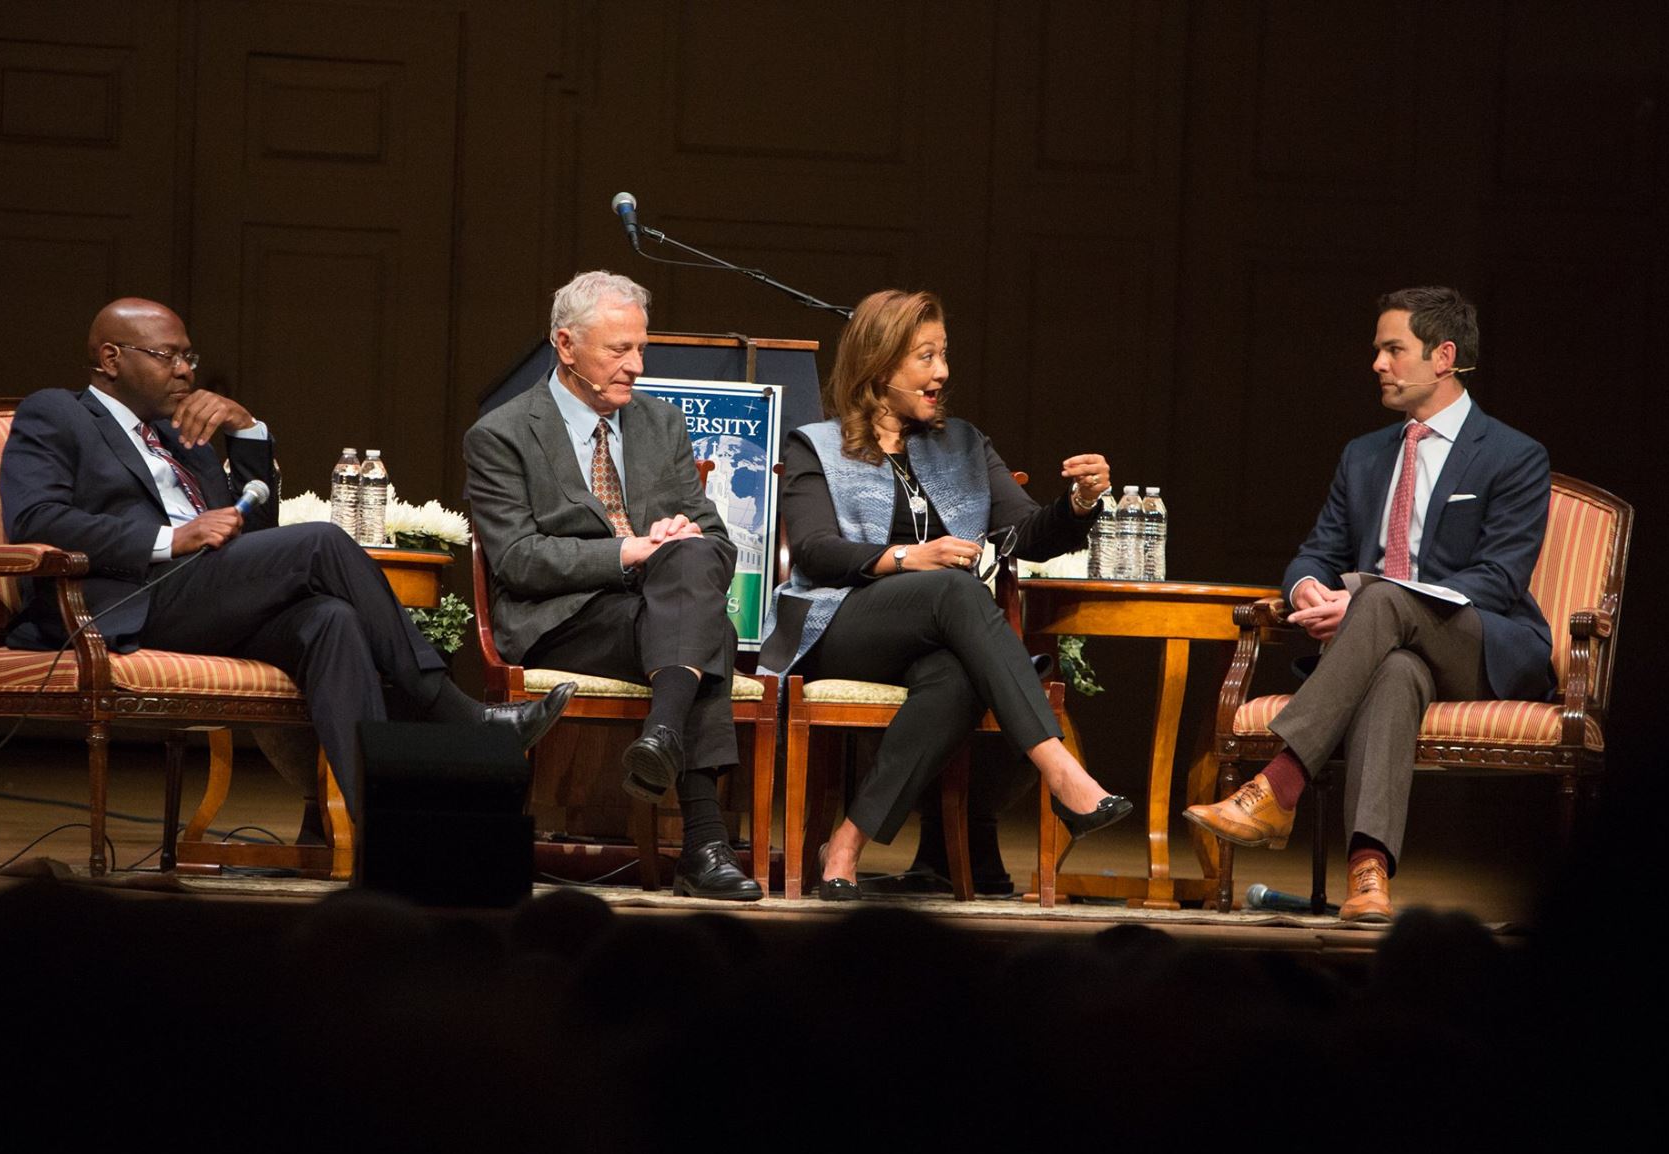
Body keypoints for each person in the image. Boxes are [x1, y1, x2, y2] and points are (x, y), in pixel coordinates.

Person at [0, 297, 573, 820]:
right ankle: (457, 715)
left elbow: (256, 533)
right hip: (123, 600)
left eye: (188, 356)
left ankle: (384, 830)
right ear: (110, 357)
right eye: (167, 356)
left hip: (199, 595)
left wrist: (247, 432)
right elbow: (36, 519)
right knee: (320, 542)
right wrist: (171, 539)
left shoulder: (179, 435)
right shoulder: (58, 413)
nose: (186, 371)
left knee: (332, 621)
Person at [1184, 286, 1552, 924]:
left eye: (1393, 350)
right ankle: (1369, 873)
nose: (1377, 364)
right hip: (1386, 649)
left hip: (1479, 646)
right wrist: (1307, 589)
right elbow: (1314, 553)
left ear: (1444, 357)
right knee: (1394, 672)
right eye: (1377, 350)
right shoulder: (1364, 456)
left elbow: (1498, 579)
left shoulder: (1513, 456)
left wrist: (1360, 596)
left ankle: (1279, 784)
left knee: (1381, 598)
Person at [758, 289, 1133, 901]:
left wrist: (1079, 503)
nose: (943, 372)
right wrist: (906, 557)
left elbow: (1023, 536)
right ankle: (1062, 773)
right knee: (954, 589)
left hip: (935, 632)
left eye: (943, 354)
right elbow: (817, 551)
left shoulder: (963, 443)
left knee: (957, 677)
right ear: (880, 367)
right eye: (925, 357)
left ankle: (845, 843)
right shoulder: (815, 445)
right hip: (841, 624)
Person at [463, 271, 761, 902]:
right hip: (563, 621)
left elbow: (718, 540)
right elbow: (517, 559)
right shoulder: (502, 434)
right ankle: (704, 844)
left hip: (656, 610)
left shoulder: (662, 425)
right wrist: (628, 550)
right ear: (566, 346)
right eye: (618, 350)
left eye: (641, 348)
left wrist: (680, 536)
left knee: (692, 562)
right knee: (709, 629)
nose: (636, 365)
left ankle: (662, 736)